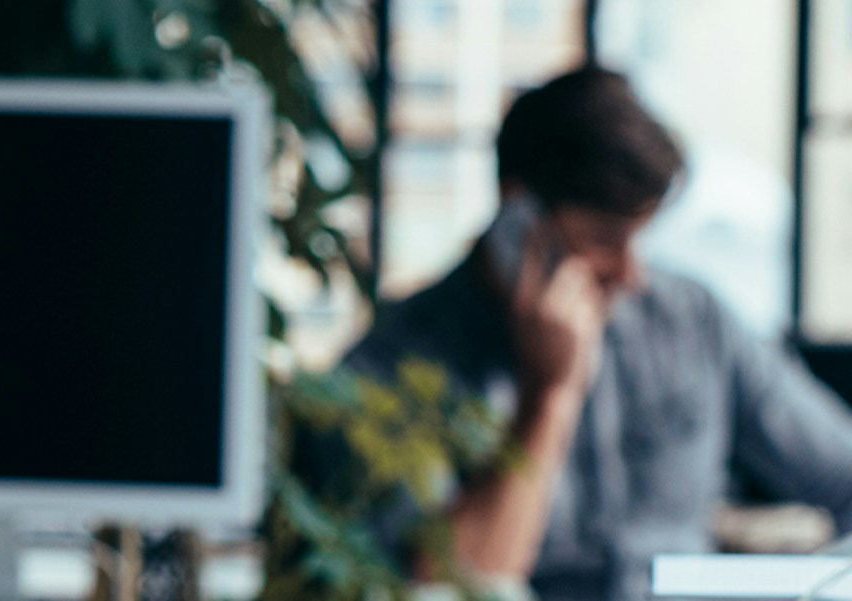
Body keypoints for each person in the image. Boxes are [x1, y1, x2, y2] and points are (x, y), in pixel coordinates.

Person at [344, 66, 852, 601]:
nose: (632, 274)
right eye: (606, 239)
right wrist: (549, 394)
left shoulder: (693, 322)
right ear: (519, 215)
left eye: (641, 237)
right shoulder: (393, 364)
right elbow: (452, 584)